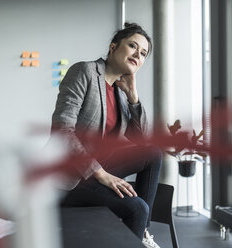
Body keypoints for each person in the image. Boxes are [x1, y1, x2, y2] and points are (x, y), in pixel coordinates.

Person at [51, 23, 162, 248]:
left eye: (143, 53)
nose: (137, 55)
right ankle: (138, 227)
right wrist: (100, 173)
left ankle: (142, 232)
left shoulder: (120, 92)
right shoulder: (85, 72)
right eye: (132, 46)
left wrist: (133, 98)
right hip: (69, 179)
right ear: (113, 47)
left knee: (152, 153)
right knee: (138, 207)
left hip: (99, 169)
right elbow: (61, 131)